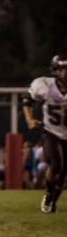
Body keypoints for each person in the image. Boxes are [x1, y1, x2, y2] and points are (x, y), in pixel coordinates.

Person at [23, 53, 67, 213]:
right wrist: (29, 119)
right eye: (60, 69)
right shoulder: (44, 84)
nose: (64, 72)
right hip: (51, 131)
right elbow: (28, 99)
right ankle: (48, 193)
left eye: (66, 69)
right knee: (56, 165)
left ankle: (53, 201)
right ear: (54, 70)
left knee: (64, 173)